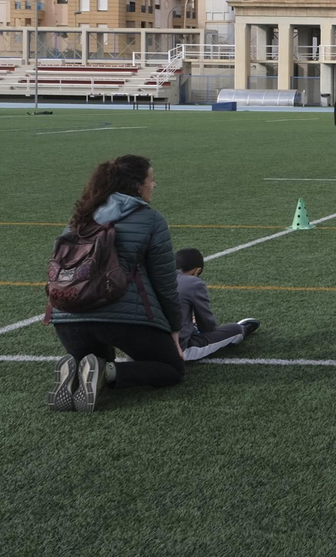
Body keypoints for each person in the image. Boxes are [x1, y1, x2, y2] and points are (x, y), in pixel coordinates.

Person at [47, 155, 185, 412]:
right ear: (136, 186)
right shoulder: (151, 219)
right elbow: (165, 282)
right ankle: (107, 373)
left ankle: (77, 372)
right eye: (151, 180)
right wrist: (175, 328)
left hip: (68, 315)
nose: (154, 186)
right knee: (171, 370)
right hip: (122, 317)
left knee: (93, 361)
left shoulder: (80, 215)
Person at [175, 248, 260, 362]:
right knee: (234, 329)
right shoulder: (193, 283)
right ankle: (243, 329)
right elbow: (207, 327)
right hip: (176, 349)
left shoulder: (154, 278)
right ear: (197, 271)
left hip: (145, 345)